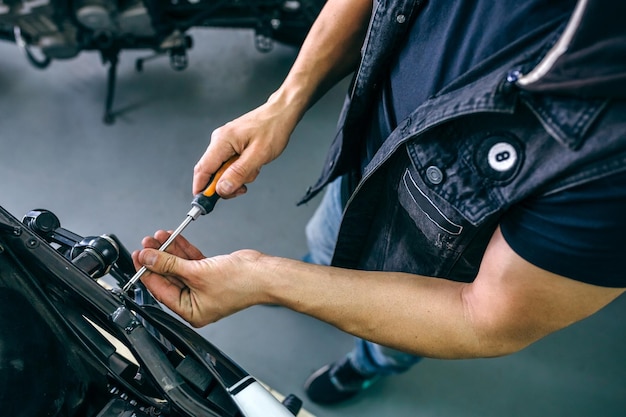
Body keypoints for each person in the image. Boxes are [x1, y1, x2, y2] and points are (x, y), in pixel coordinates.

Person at [133, 0, 626, 407]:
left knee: (386, 345)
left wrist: (266, 279)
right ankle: (320, 271)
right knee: (325, 243)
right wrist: (287, 100)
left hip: (434, 273)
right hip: (362, 173)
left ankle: (364, 367)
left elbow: (485, 316)